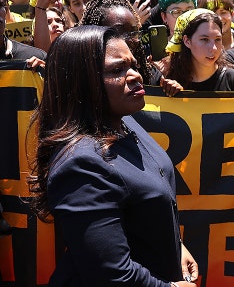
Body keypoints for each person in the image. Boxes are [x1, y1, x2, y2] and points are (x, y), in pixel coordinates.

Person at [27, 25, 198, 286]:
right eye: (117, 70)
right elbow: (111, 273)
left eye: (133, 65)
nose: (135, 75)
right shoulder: (81, 165)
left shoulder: (125, 123)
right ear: (82, 81)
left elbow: (143, 214)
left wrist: (176, 247)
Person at [80, 0, 161, 85]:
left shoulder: (150, 74)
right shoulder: (84, 79)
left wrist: (168, 87)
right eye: (119, 33)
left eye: (134, 32)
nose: (130, 40)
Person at [161, 9, 234, 95]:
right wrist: (175, 94)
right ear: (187, 41)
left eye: (217, 39)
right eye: (204, 39)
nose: (214, 48)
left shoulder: (233, 80)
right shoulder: (168, 79)